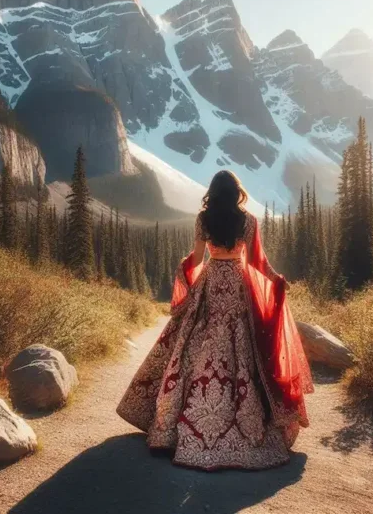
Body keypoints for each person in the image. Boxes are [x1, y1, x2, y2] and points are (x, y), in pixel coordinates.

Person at [116, 170, 313, 471]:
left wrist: (183, 274)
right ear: (236, 193)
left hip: (210, 284)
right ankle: (246, 423)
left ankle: (170, 428)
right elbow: (258, 261)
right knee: (242, 347)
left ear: (213, 192)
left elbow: (196, 261)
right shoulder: (248, 221)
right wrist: (276, 279)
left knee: (193, 345)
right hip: (238, 284)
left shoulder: (203, 219)